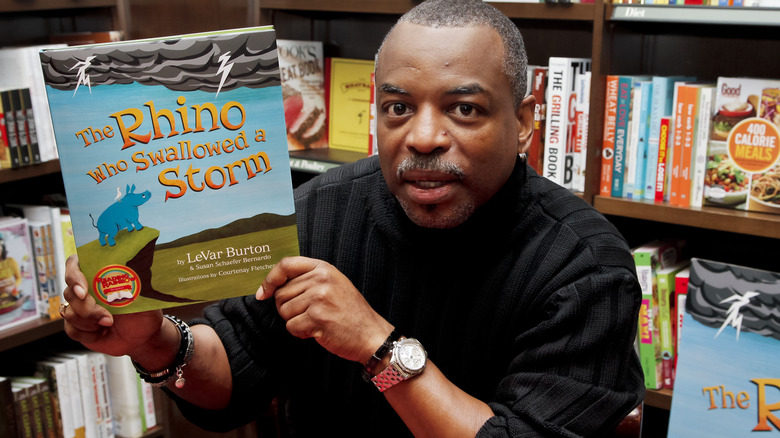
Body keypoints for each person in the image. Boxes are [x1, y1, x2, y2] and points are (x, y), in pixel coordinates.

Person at [60, 0, 645, 436]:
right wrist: (155, 341)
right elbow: (233, 382)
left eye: (464, 109)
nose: (422, 136)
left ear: (522, 122)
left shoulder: (586, 268)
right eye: (398, 108)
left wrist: (378, 347)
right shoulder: (321, 210)